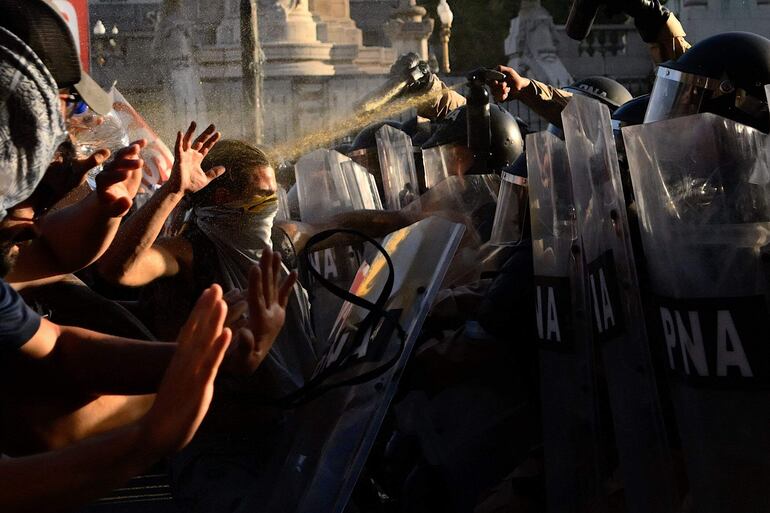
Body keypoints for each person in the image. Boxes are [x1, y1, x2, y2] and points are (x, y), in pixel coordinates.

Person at [0, 22, 295, 513]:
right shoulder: (191, 250)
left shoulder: (276, 245)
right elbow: (43, 436)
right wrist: (154, 431)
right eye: (19, 208)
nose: (33, 226)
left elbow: (60, 340)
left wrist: (213, 362)